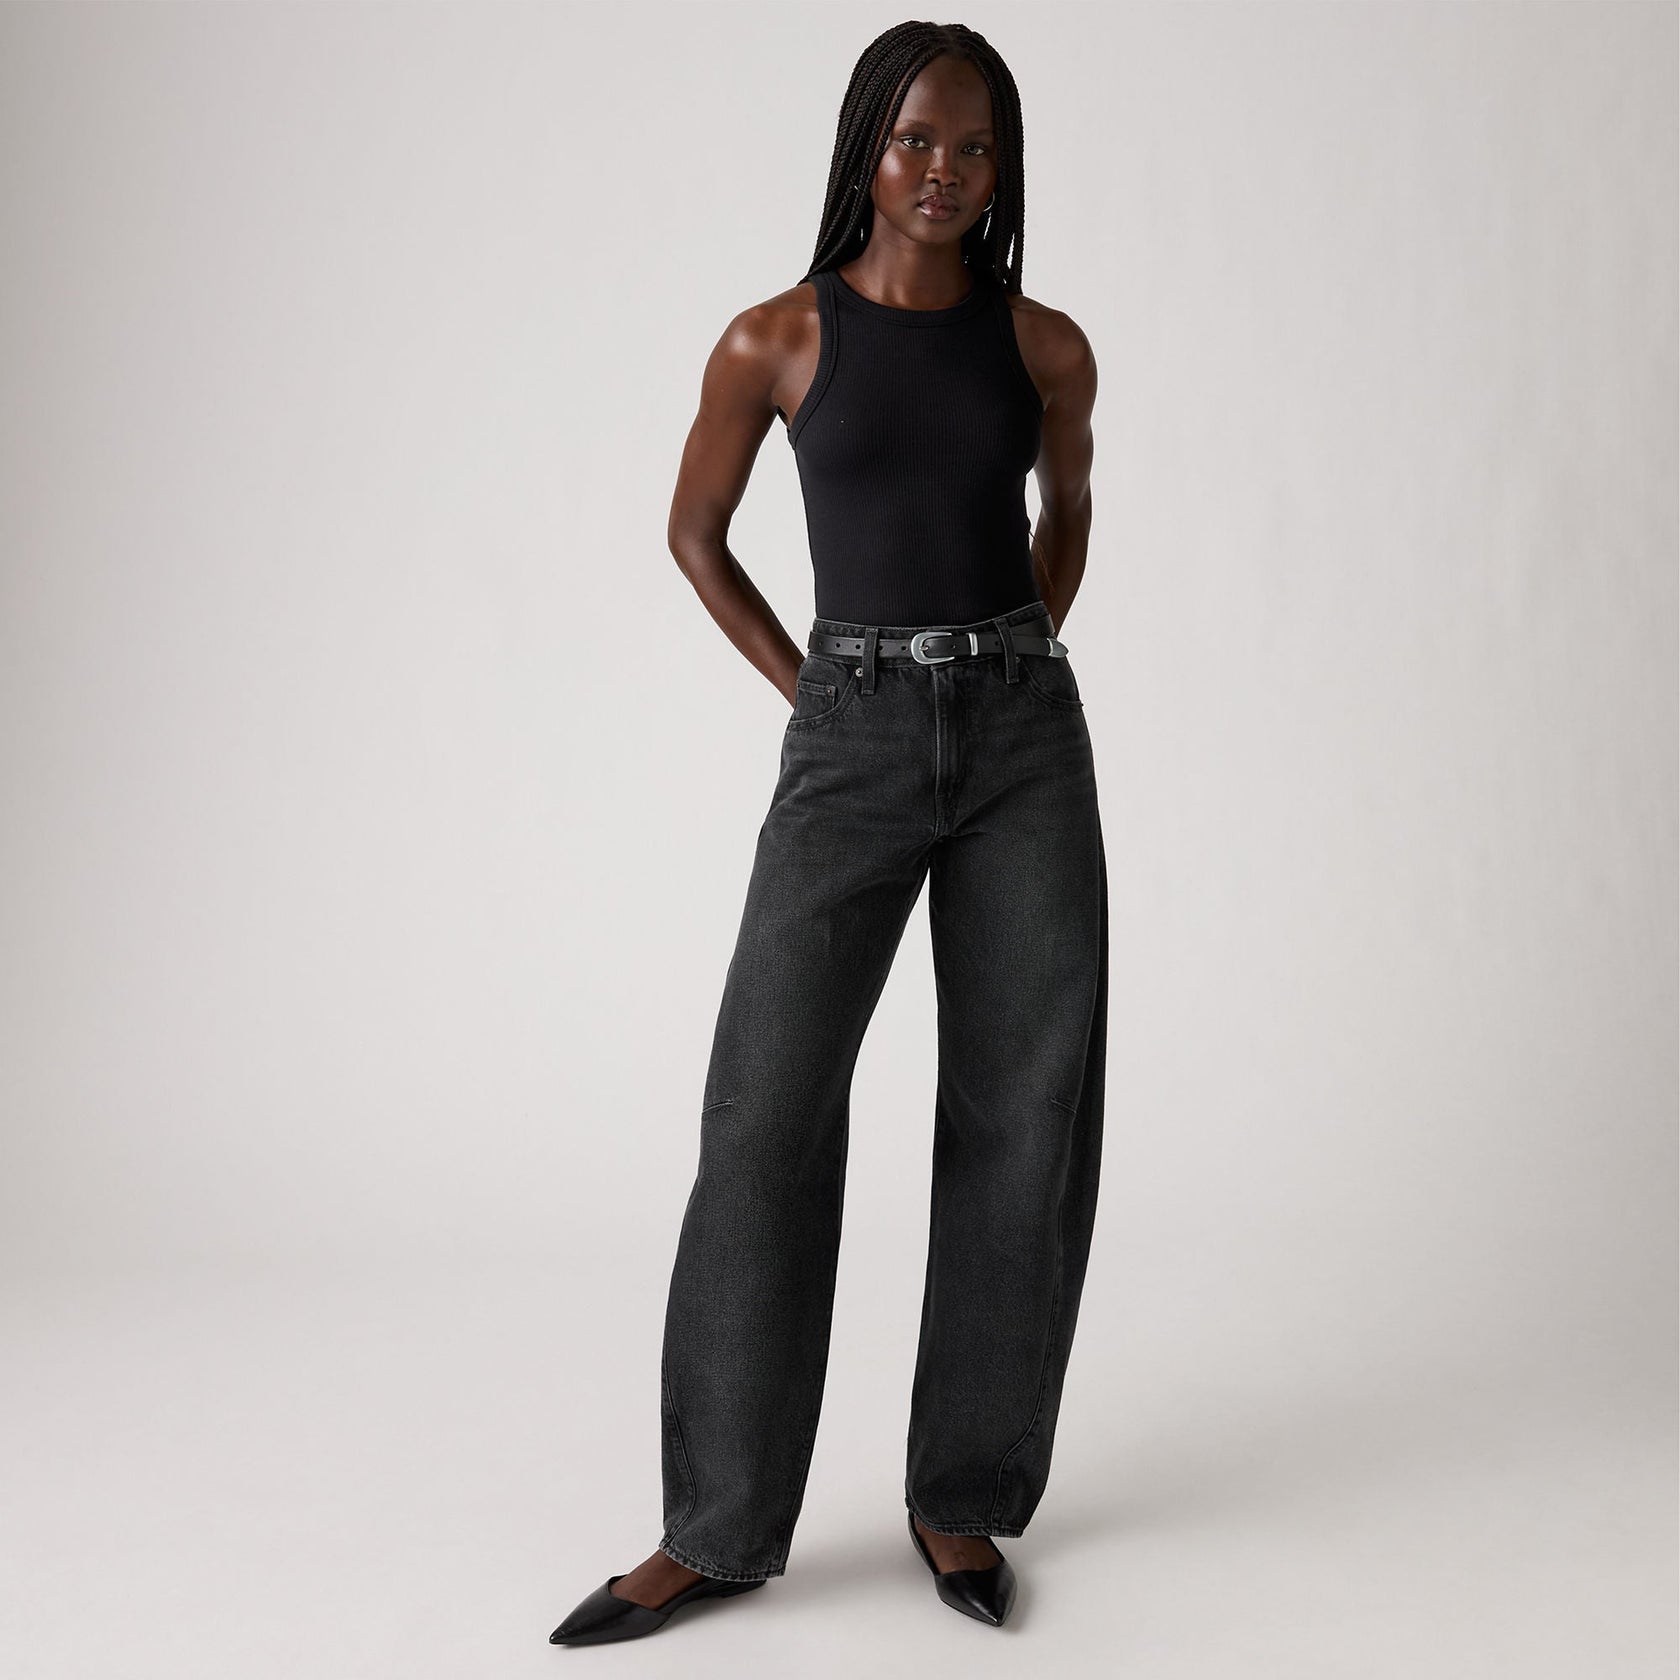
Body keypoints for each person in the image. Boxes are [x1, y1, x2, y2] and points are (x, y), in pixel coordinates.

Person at [550, 19, 1106, 1646]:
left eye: (977, 148)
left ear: (1005, 170)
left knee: (1025, 1111)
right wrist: (824, 689)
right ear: (867, 145)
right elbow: (695, 535)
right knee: (767, 1111)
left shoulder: (1046, 346)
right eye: (916, 138)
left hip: (1022, 743)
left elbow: (1067, 516)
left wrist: (1009, 659)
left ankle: (961, 1496)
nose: (945, 171)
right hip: (850, 735)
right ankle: (717, 1527)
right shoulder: (777, 338)